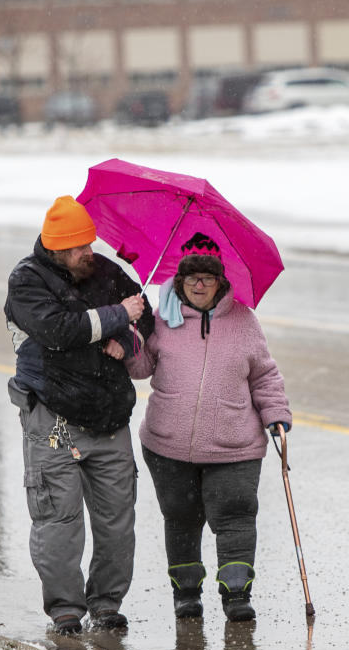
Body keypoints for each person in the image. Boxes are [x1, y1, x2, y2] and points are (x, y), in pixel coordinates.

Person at [3, 195, 154, 634]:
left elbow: (144, 317)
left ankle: (107, 603)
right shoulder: (27, 281)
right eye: (78, 247)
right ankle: (66, 609)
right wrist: (115, 317)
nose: (90, 252)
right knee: (58, 520)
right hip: (53, 418)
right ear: (56, 250)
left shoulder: (103, 271)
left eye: (89, 243)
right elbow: (59, 331)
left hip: (110, 418)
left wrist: (128, 340)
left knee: (116, 519)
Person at [128, 232, 291, 622]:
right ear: (179, 280)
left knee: (235, 517)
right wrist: (132, 335)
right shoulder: (161, 319)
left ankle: (237, 595)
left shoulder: (244, 322)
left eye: (208, 277)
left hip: (234, 447)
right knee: (181, 519)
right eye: (190, 277)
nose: (199, 284)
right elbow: (139, 369)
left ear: (221, 281)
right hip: (168, 444)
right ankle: (186, 594)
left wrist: (277, 415)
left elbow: (265, 376)